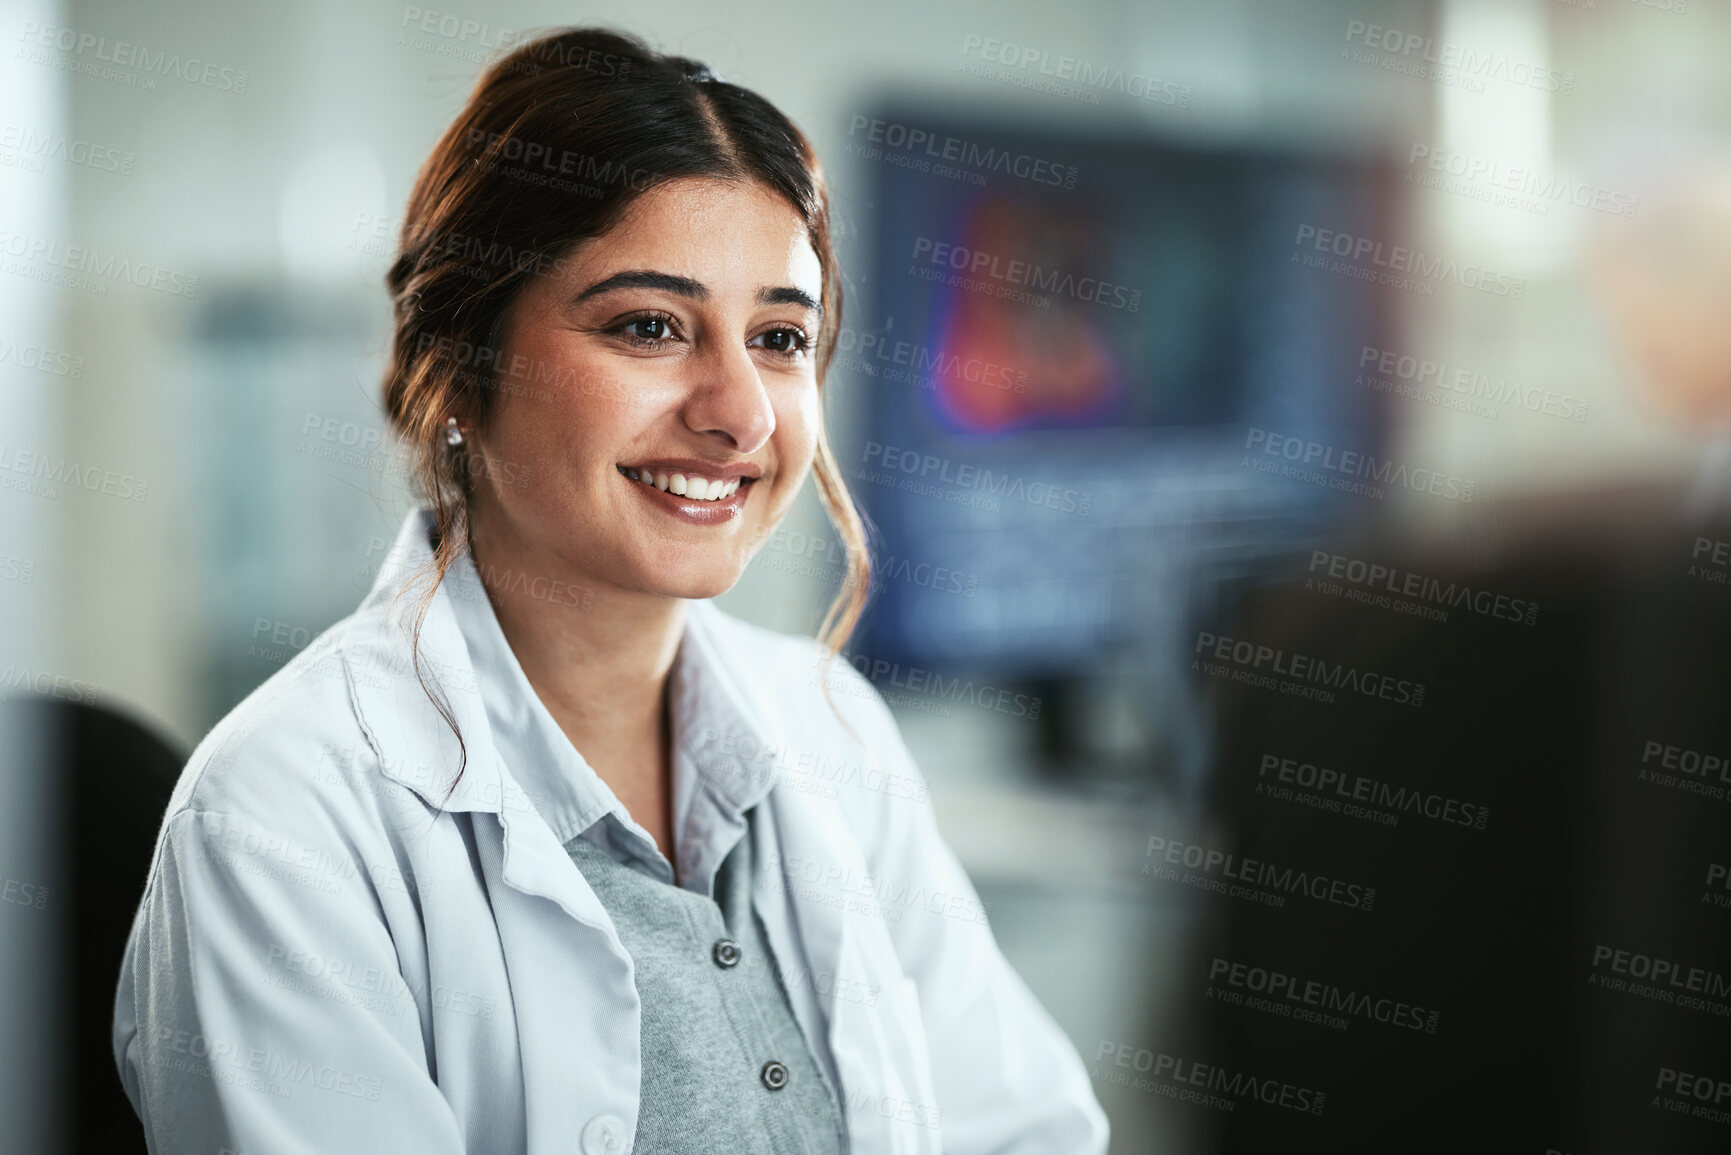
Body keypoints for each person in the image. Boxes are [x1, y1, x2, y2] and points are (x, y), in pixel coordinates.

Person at [111, 27, 1108, 1155]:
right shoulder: (288, 814)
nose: (741, 412)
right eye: (649, 326)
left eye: (781, 337)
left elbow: (1023, 1130)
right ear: (462, 362)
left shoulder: (832, 731)